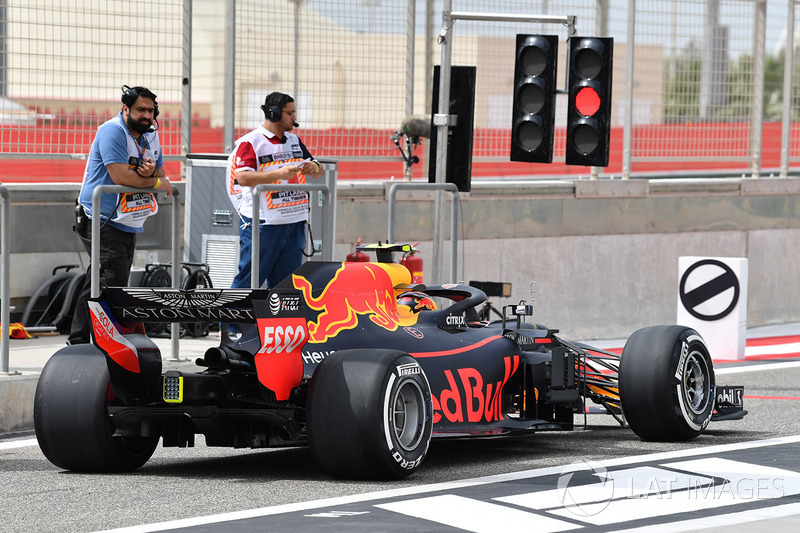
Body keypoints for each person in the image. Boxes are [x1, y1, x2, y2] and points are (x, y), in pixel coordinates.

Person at [68, 85, 172, 344]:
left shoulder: (150, 133)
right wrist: (154, 182)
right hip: (101, 219)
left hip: (129, 220)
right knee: (109, 280)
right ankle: (86, 340)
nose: (147, 115)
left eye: (151, 110)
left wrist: (150, 177)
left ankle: (81, 337)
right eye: (141, 110)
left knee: (103, 278)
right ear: (126, 109)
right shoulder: (111, 131)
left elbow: (159, 171)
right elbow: (122, 177)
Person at [226, 91, 323, 295]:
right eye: (290, 113)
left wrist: (314, 167)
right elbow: (242, 177)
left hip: (293, 221)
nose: (294, 118)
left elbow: (316, 165)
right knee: (249, 277)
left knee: (287, 283)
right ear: (274, 113)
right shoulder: (251, 142)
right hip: (263, 224)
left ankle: (279, 325)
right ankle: (232, 327)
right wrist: (278, 174)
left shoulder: (294, 141)